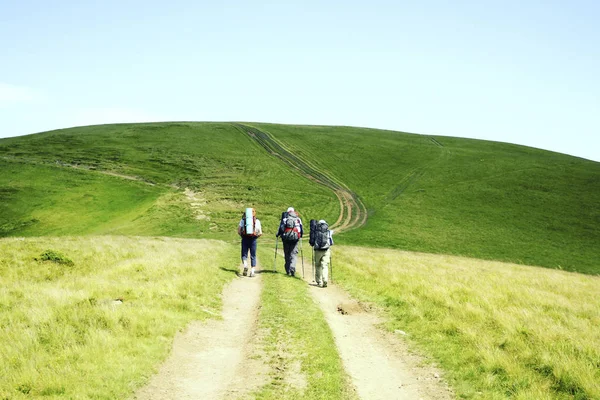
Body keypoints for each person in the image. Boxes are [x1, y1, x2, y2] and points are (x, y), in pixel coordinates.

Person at [276, 207, 303, 277]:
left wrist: (278, 234)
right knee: (293, 254)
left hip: (286, 239)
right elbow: (301, 230)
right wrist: (300, 236)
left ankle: (288, 270)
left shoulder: (285, 219)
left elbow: (281, 229)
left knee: (287, 254)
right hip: (295, 239)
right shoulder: (298, 219)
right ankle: (292, 267)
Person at [237, 208, 262, 277]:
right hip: (253, 239)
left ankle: (245, 265)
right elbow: (260, 233)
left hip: (245, 238)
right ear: (254, 213)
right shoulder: (257, 221)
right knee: (253, 255)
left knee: (244, 254)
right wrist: (255, 237)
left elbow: (239, 231)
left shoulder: (243, 220)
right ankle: (252, 272)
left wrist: (242, 236)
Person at [311, 219, 333, 287]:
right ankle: (325, 279)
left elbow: (312, 241)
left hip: (317, 250)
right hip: (326, 250)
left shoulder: (316, 231)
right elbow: (331, 242)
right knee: (325, 265)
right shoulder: (328, 231)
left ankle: (319, 281)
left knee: (318, 265)